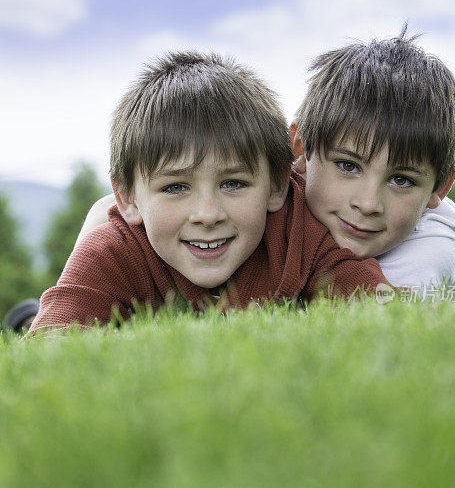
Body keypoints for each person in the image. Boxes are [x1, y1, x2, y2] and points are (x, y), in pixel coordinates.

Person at [29, 52, 389, 333]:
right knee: (32, 320)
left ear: (277, 186)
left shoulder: (298, 231)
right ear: (128, 199)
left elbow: (382, 308)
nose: (207, 214)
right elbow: (53, 341)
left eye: (233, 183)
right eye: (175, 187)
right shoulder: (115, 250)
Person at [291, 29, 455, 289]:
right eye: (348, 166)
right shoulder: (274, 195)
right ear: (300, 149)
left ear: (442, 186)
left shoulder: (433, 245)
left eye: (401, 180)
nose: (368, 204)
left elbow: (370, 320)